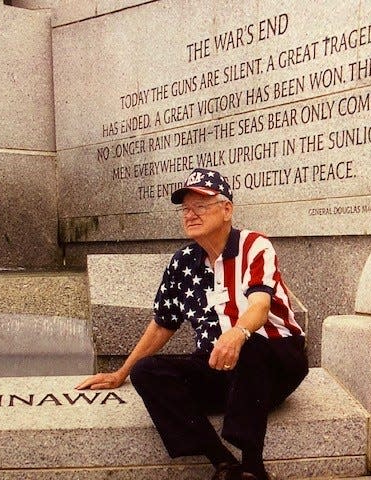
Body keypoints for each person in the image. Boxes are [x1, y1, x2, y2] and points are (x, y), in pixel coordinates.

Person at [76, 167, 308, 480]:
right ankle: (225, 464)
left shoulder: (254, 246)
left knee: (251, 346)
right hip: (220, 366)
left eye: (201, 206)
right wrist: (121, 373)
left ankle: (253, 465)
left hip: (275, 362)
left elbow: (260, 305)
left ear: (227, 210)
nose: (190, 214)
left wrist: (237, 333)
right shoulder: (182, 262)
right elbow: (162, 324)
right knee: (147, 371)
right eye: (186, 208)